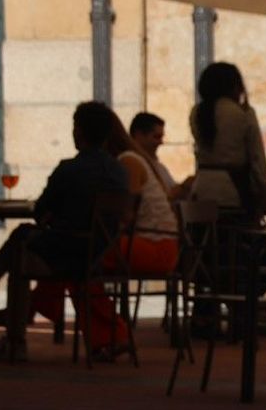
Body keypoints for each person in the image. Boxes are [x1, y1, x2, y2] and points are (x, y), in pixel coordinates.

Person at [0, 101, 128, 360]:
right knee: (23, 241)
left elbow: (40, 210)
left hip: (64, 256)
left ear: (78, 131)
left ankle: (1, 322)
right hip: (99, 257)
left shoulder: (69, 169)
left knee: (21, 242)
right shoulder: (119, 172)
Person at [32, 105, 180, 360]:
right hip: (151, 242)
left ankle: (41, 307)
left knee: (78, 255)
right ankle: (109, 336)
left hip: (153, 246)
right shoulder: (125, 163)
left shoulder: (127, 163)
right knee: (81, 256)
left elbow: (125, 215)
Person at [190, 62, 266, 220]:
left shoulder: (197, 113)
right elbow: (258, 159)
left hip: (202, 186)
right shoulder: (242, 113)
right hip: (234, 189)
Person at [128, 110, 187, 199]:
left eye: (161, 137)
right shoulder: (131, 164)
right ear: (139, 135)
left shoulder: (159, 166)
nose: (161, 142)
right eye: (156, 137)